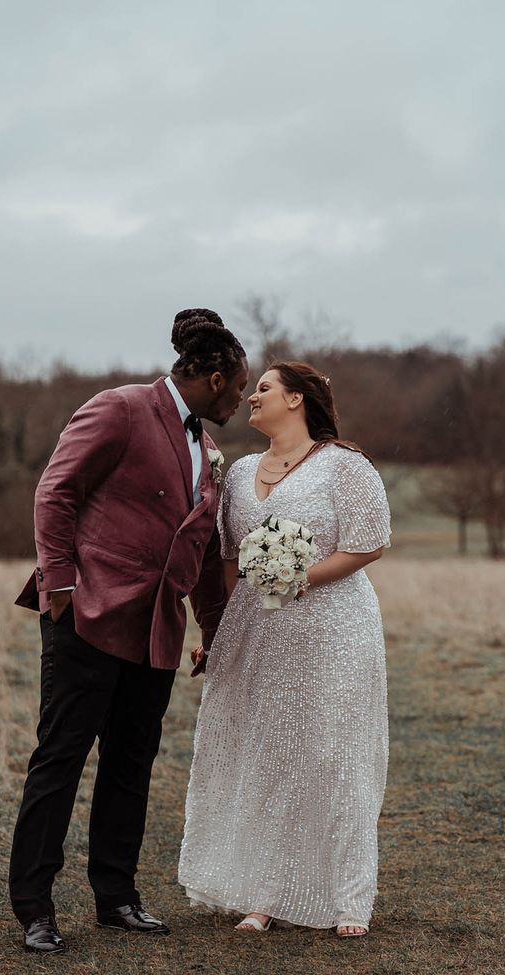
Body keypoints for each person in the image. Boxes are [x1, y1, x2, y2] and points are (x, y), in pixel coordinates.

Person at [9, 309, 248, 953]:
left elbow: (198, 549)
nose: (245, 400)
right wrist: (59, 587)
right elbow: (55, 493)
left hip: (156, 635)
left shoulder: (210, 453)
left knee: (130, 766)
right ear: (217, 377)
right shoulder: (119, 408)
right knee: (60, 760)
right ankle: (34, 907)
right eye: (240, 385)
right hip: (85, 615)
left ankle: (115, 897)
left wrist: (214, 628)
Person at [179, 361, 391, 936]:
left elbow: (369, 544)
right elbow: (227, 559)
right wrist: (220, 634)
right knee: (268, 755)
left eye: (264, 388)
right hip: (260, 631)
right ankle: (263, 894)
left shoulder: (344, 466)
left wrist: (301, 578)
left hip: (335, 628)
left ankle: (348, 899)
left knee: (335, 753)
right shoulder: (242, 470)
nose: (251, 397)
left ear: (297, 399)